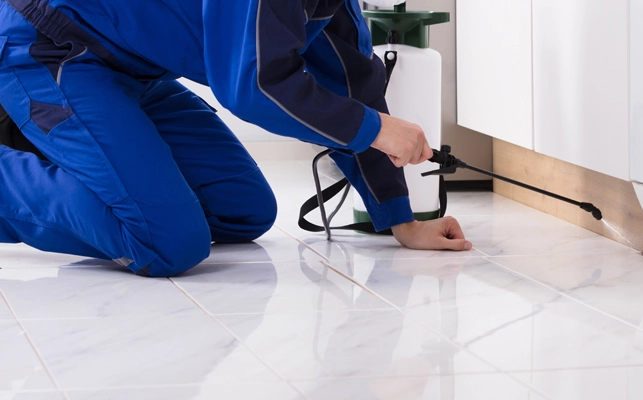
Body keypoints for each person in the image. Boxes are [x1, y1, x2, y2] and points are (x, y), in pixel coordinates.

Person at [0, 0, 472, 277]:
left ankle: (75, 147)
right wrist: (375, 129)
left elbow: (350, 83)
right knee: (168, 244)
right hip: (53, 48)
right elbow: (256, 86)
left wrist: (400, 220)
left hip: (137, 70)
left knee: (243, 210)